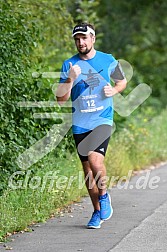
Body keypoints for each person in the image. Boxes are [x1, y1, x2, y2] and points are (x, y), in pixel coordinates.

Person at [56, 22, 127, 229]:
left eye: (84, 38)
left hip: (102, 119)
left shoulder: (108, 60)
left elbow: (121, 82)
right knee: (88, 173)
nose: (81, 42)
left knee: (96, 163)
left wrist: (113, 91)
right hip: (80, 124)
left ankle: (104, 197)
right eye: (77, 39)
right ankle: (97, 211)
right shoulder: (69, 65)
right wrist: (70, 79)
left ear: (93, 38)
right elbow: (61, 99)